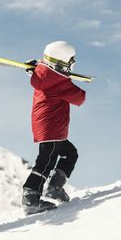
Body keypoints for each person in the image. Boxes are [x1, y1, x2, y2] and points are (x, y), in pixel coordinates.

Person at [21, 41, 86, 214]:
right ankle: (31, 197)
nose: (72, 65)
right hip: (52, 127)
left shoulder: (43, 76)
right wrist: (67, 79)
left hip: (47, 126)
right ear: (61, 62)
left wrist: (35, 68)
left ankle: (54, 188)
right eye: (70, 62)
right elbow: (80, 98)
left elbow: (42, 76)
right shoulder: (59, 82)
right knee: (46, 161)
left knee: (69, 153)